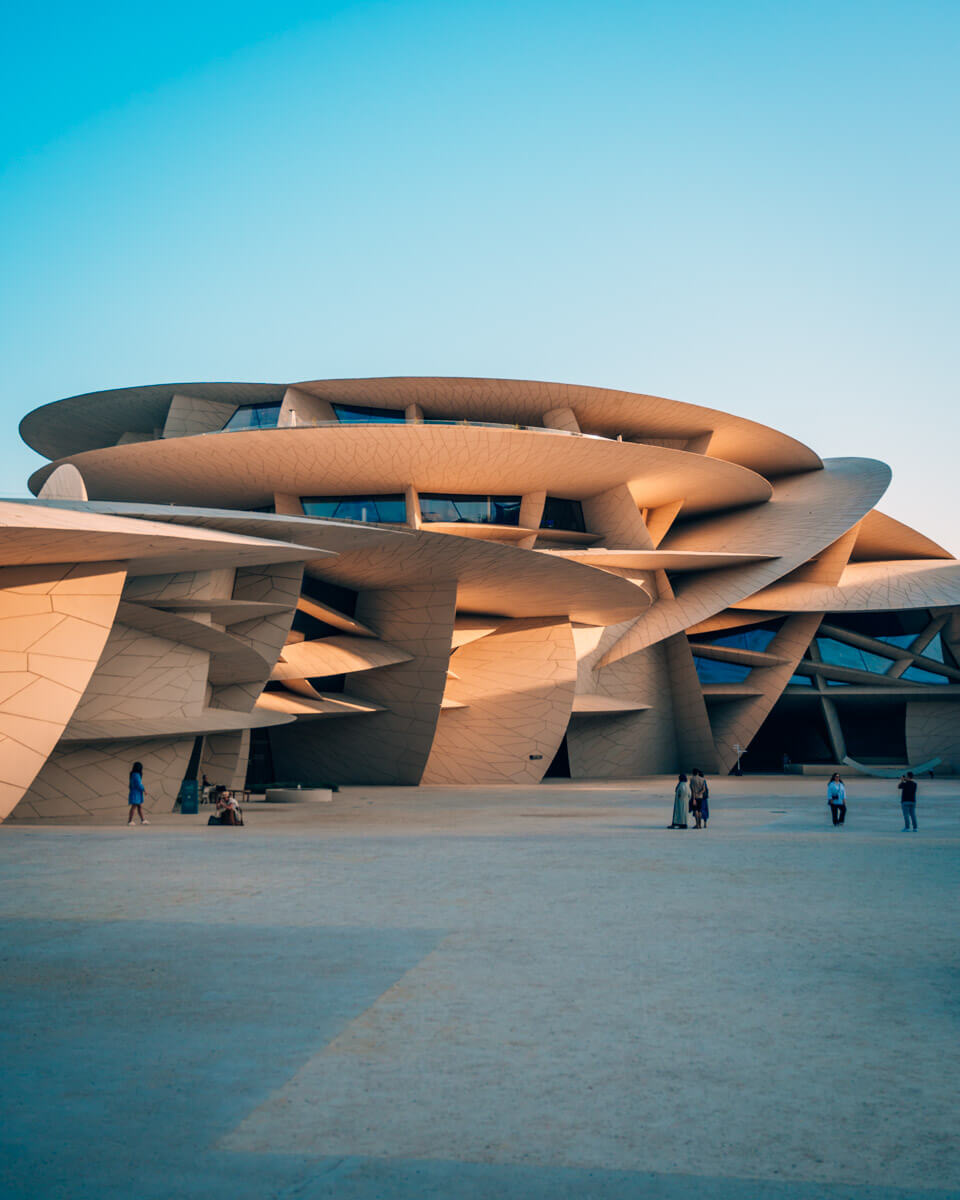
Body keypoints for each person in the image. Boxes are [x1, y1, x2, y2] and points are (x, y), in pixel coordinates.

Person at [127, 761, 149, 826]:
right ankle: (130, 821)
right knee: (134, 806)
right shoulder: (136, 775)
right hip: (136, 793)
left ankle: (143, 820)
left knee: (139, 806)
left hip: (135, 792)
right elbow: (139, 784)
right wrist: (144, 790)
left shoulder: (132, 774)